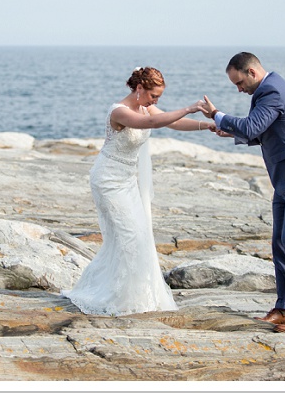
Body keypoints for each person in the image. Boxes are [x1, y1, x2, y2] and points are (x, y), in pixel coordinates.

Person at [62, 67, 215, 316]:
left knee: (139, 236)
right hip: (108, 180)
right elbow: (152, 122)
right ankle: (122, 299)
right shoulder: (119, 111)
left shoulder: (145, 107)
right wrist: (188, 107)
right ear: (139, 88)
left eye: (158, 98)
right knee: (130, 236)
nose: (155, 102)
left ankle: (134, 294)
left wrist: (205, 126)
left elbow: (171, 122)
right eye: (153, 96)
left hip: (128, 181)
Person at [201, 52, 285, 333]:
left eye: (239, 82)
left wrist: (217, 116)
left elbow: (252, 126)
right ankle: (284, 307)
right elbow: (261, 132)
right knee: (279, 243)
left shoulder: (272, 91)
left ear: (252, 73)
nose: (239, 89)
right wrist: (230, 132)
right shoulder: (268, 89)